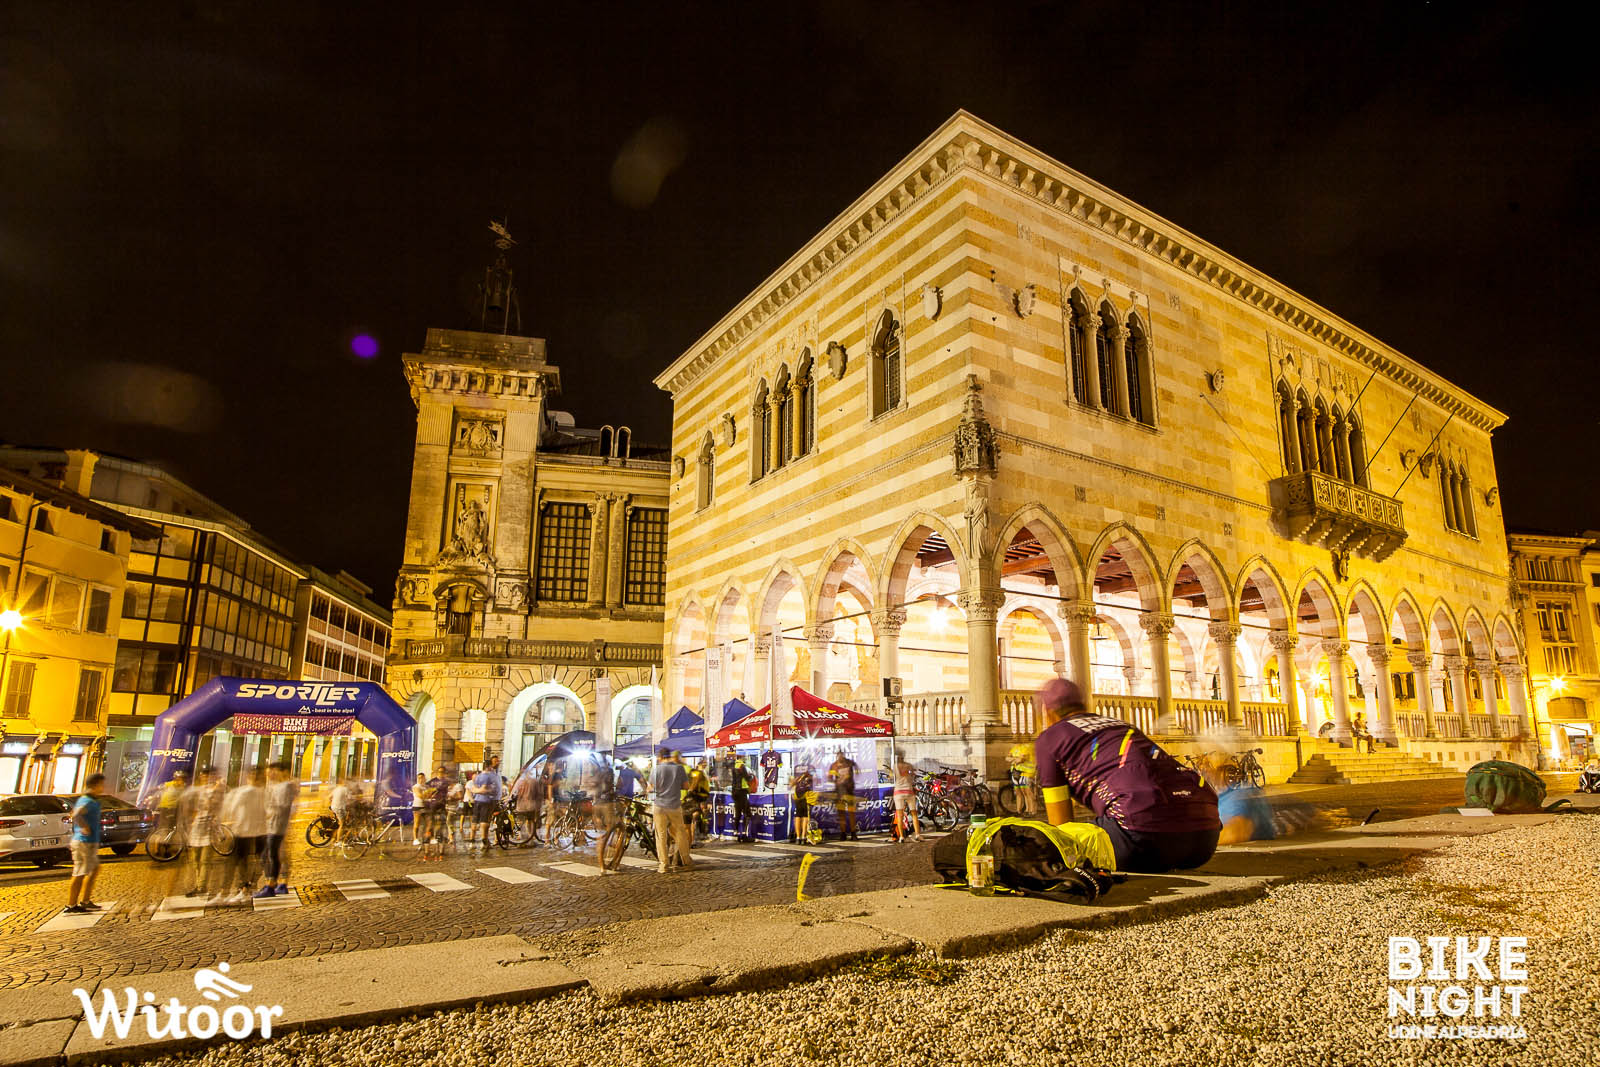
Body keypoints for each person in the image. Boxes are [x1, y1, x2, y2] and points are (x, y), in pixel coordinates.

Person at [1034, 678, 1221, 874]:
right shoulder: (1120, 725)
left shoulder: (1050, 738)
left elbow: (1060, 825)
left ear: (1048, 712)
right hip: (1205, 839)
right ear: (1084, 705)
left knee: (1044, 844)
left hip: (1142, 842)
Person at [221, 767, 269, 903]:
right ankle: (248, 887)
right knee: (256, 861)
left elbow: (231, 809)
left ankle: (242, 888)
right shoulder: (264, 793)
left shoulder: (244, 792)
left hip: (244, 831)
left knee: (239, 862)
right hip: (258, 832)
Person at [64, 773, 107, 914]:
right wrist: (84, 826)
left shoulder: (92, 800)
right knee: (80, 872)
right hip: (83, 842)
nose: (103, 787)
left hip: (89, 842)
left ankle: (86, 901)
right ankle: (71, 905)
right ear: (95, 785)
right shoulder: (86, 800)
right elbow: (75, 814)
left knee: (94, 869)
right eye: (101, 784)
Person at [649, 747, 692, 873]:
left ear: (660, 757)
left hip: (659, 806)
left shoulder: (656, 769)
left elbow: (651, 788)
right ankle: (686, 861)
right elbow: (686, 786)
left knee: (661, 836)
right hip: (674, 805)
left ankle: (664, 865)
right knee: (680, 833)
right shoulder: (679, 768)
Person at [261, 762, 299, 897]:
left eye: (273, 771)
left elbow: (283, 806)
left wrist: (269, 809)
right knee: (269, 855)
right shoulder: (274, 786)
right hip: (272, 825)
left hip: (278, 826)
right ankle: (273, 883)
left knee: (273, 855)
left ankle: (274, 884)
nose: (270, 774)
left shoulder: (286, 786)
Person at [469, 757, 502, 854]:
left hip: (478, 800)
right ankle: (484, 842)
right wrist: (487, 791)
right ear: (489, 766)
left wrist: (476, 791)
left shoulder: (478, 776)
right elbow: (484, 789)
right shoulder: (488, 776)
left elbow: (473, 788)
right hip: (487, 800)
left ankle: (472, 841)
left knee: (475, 820)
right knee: (484, 822)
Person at [891, 755, 922, 842]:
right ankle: (918, 834)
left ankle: (901, 837)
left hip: (898, 792)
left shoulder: (895, 766)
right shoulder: (909, 765)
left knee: (899, 815)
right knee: (914, 814)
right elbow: (912, 775)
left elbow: (891, 776)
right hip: (909, 791)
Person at [829, 750, 859, 840]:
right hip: (839, 792)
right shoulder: (834, 765)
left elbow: (857, 768)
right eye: (839, 756)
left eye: (842, 756)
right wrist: (837, 781)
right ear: (837, 757)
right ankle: (843, 833)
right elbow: (829, 777)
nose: (840, 758)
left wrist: (852, 777)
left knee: (851, 812)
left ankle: (853, 833)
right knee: (841, 814)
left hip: (849, 791)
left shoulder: (849, 762)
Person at [1006, 740, 1039, 815]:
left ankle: (1031, 810)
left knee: (1028, 792)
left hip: (1027, 772)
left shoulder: (1027, 747)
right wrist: (1015, 758)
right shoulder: (1015, 748)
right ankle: (1020, 811)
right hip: (1016, 772)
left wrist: (1013, 759)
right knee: (1020, 792)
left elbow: (1020, 760)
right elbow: (1007, 758)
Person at [510, 768, 539, 845]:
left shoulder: (519, 782)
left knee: (520, 823)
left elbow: (513, 793)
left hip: (521, 806)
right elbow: (538, 794)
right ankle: (530, 839)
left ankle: (522, 840)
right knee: (531, 822)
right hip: (531, 805)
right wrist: (538, 805)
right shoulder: (534, 781)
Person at [683, 763, 711, 843]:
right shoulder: (695, 773)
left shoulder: (697, 773)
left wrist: (690, 791)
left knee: (695, 817)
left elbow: (696, 780)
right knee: (695, 817)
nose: (704, 765)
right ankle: (696, 837)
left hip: (699, 798)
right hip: (699, 798)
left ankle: (697, 837)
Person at [790, 763, 814, 844]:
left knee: (803, 816)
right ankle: (799, 837)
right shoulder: (799, 774)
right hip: (800, 797)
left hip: (805, 797)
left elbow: (813, 783)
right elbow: (791, 784)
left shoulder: (809, 775)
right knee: (800, 816)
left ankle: (802, 837)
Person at [730, 759, 754, 842]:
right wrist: (752, 776)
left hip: (735, 792)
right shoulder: (742, 766)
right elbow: (747, 778)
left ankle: (736, 832)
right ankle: (745, 834)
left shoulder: (734, 766)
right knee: (747, 813)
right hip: (742, 792)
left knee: (738, 813)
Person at [329, 777, 353, 851]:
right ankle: (338, 841)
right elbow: (350, 799)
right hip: (339, 808)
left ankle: (338, 837)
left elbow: (329, 797)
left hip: (333, 807)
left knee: (341, 821)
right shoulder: (346, 789)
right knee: (342, 824)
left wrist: (332, 803)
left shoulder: (337, 788)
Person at [410, 772, 428, 846]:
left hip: (425, 806)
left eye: (422, 778)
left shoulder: (426, 787)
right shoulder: (416, 786)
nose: (421, 779)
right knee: (416, 823)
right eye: (419, 778)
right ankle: (415, 839)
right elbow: (419, 795)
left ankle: (426, 838)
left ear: (424, 778)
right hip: (417, 806)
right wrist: (427, 796)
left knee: (427, 823)